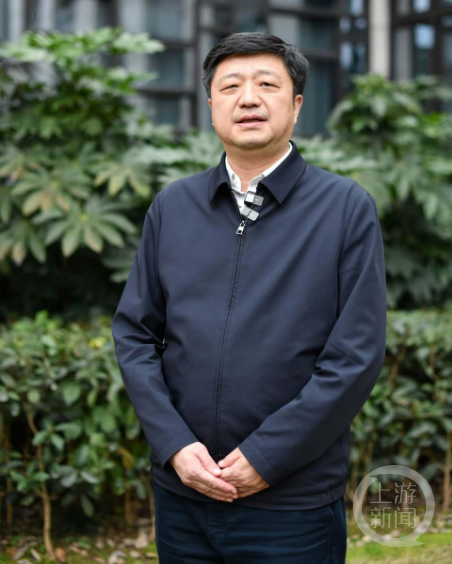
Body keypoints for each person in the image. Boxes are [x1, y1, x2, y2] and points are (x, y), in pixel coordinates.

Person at [112, 31, 387, 563]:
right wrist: (174, 445)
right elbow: (135, 333)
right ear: (211, 106)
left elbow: (354, 356)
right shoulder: (173, 206)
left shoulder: (344, 208)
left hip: (291, 503)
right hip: (183, 495)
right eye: (230, 86)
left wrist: (266, 456)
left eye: (267, 84)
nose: (248, 98)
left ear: (297, 104)